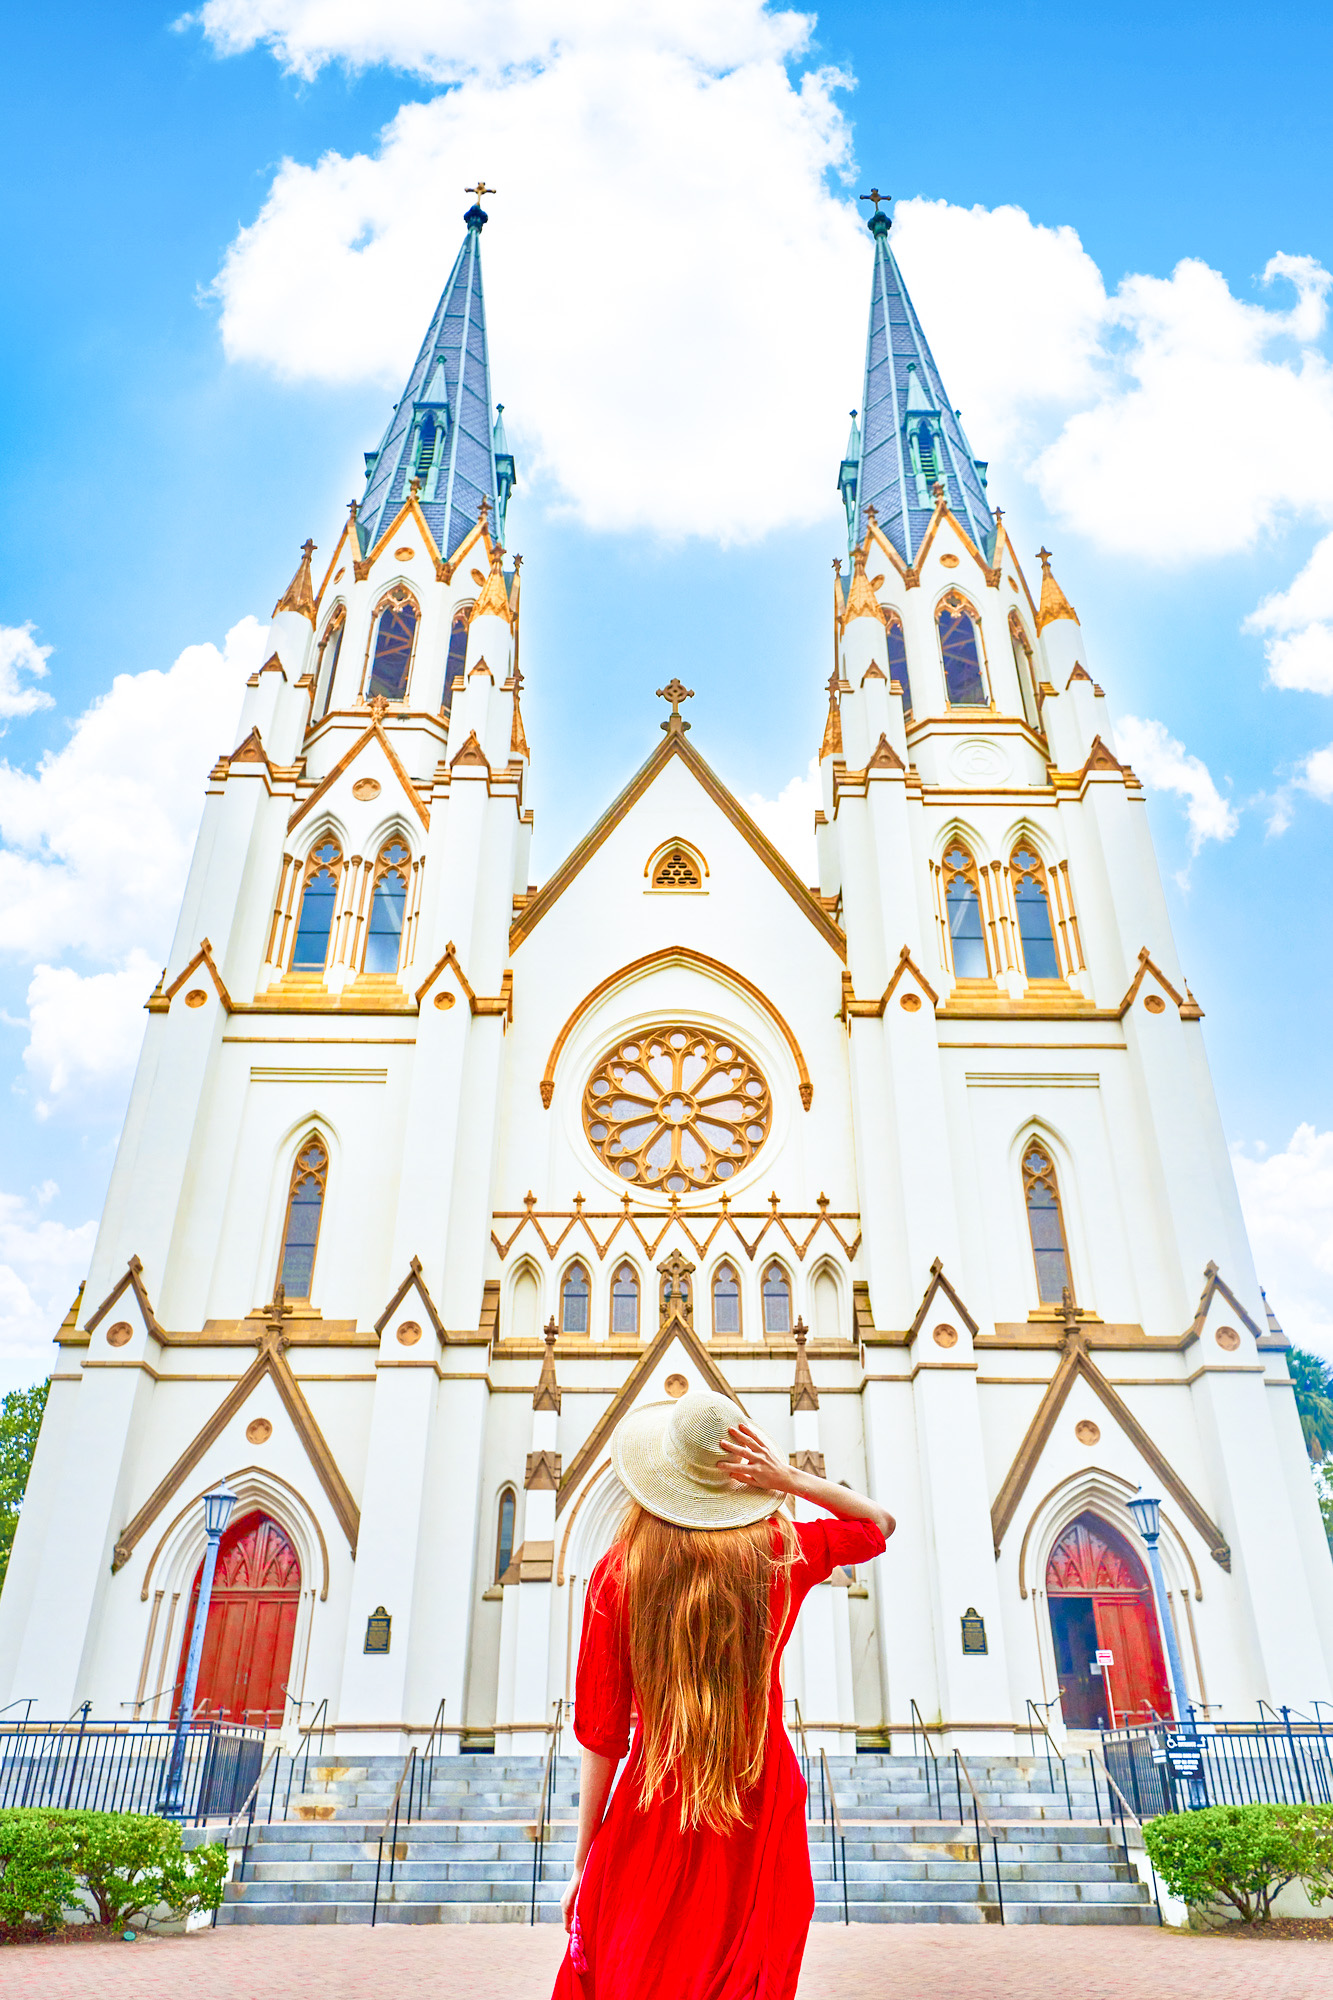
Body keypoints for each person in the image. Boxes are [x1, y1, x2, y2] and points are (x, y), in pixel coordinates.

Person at [552, 1388, 895, 1999]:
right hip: (758, 1787)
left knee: (643, 1961)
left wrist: (584, 1861)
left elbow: (602, 1737)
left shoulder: (617, 1573)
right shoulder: (782, 1553)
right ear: (741, 1479)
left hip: (658, 1791)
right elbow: (876, 1525)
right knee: (742, 1968)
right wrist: (790, 1478)